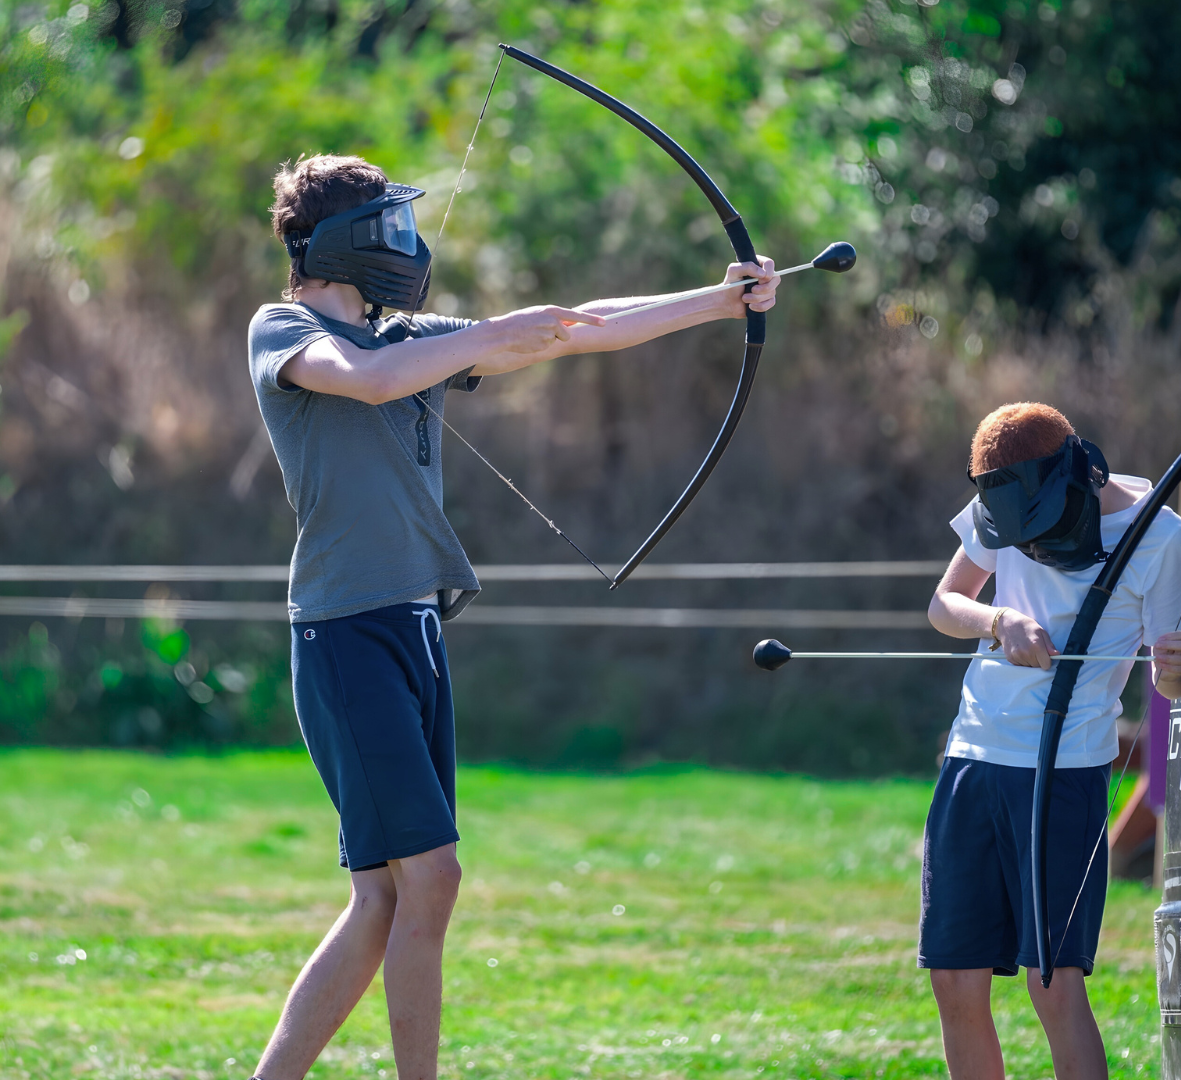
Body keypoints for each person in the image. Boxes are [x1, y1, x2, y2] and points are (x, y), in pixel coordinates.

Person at [244, 152, 779, 1080]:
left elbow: (577, 330)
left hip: (412, 630)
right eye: (385, 227)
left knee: (384, 897)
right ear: (338, 245)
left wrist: (720, 300)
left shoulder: (408, 337)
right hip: (344, 635)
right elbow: (364, 379)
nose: (406, 245)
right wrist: (490, 330)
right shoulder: (283, 328)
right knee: (430, 879)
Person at [921, 401, 1181, 1080]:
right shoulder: (1006, 497)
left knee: (1053, 984)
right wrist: (998, 620)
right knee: (955, 981)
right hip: (973, 757)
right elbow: (943, 604)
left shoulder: (1160, 536)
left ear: (1079, 472)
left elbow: (1171, 688)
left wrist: (1178, 667)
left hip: (1064, 773)